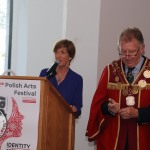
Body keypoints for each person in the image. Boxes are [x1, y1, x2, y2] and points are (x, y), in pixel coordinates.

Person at [86, 27, 150, 150]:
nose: (127, 57)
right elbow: (98, 104)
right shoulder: (110, 70)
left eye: (131, 52)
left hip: (144, 139)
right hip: (113, 139)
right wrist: (108, 108)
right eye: (122, 52)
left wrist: (138, 113)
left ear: (142, 48)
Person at [39, 39, 83, 117]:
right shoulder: (45, 73)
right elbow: (38, 98)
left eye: (62, 52)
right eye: (56, 52)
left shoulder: (77, 79)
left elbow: (78, 108)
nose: (58, 56)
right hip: (45, 118)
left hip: (64, 121)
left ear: (70, 56)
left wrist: (74, 109)